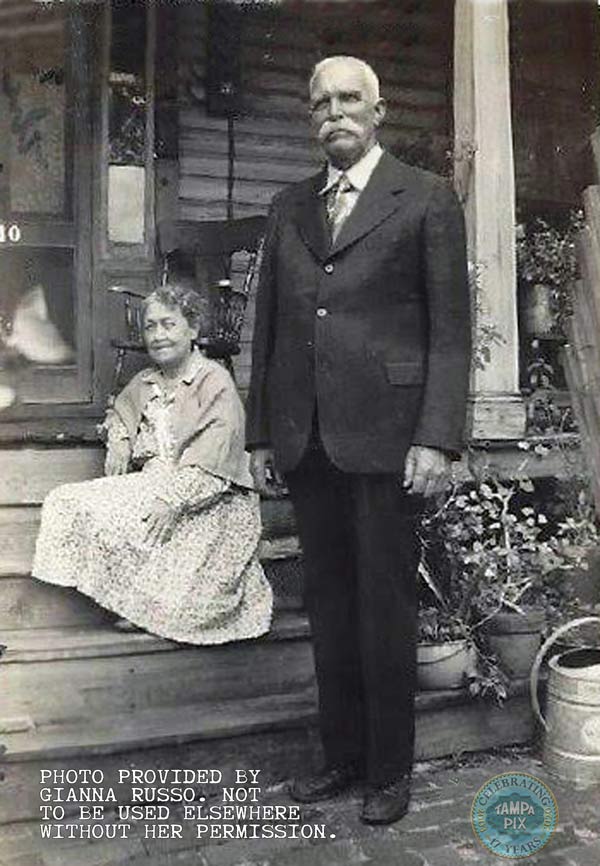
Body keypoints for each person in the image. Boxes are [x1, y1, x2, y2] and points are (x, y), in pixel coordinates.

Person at [246, 56, 471, 824]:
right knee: (331, 608)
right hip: (308, 439)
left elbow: (450, 330)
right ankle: (341, 758)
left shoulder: (425, 197)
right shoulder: (289, 206)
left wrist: (436, 438)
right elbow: (269, 326)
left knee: (383, 610)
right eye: (321, 104)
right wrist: (260, 433)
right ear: (311, 119)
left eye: (349, 100)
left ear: (378, 113)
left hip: (389, 441)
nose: (334, 113)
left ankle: (388, 771)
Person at [33, 283, 273, 645]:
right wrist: (120, 440)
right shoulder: (146, 381)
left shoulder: (214, 381)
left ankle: (151, 606)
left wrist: (173, 500)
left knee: (158, 528)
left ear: (192, 329)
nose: (158, 335)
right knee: (66, 500)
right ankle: (129, 598)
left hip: (209, 496)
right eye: (150, 326)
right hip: (156, 481)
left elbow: (215, 458)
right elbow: (120, 413)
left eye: (169, 324)